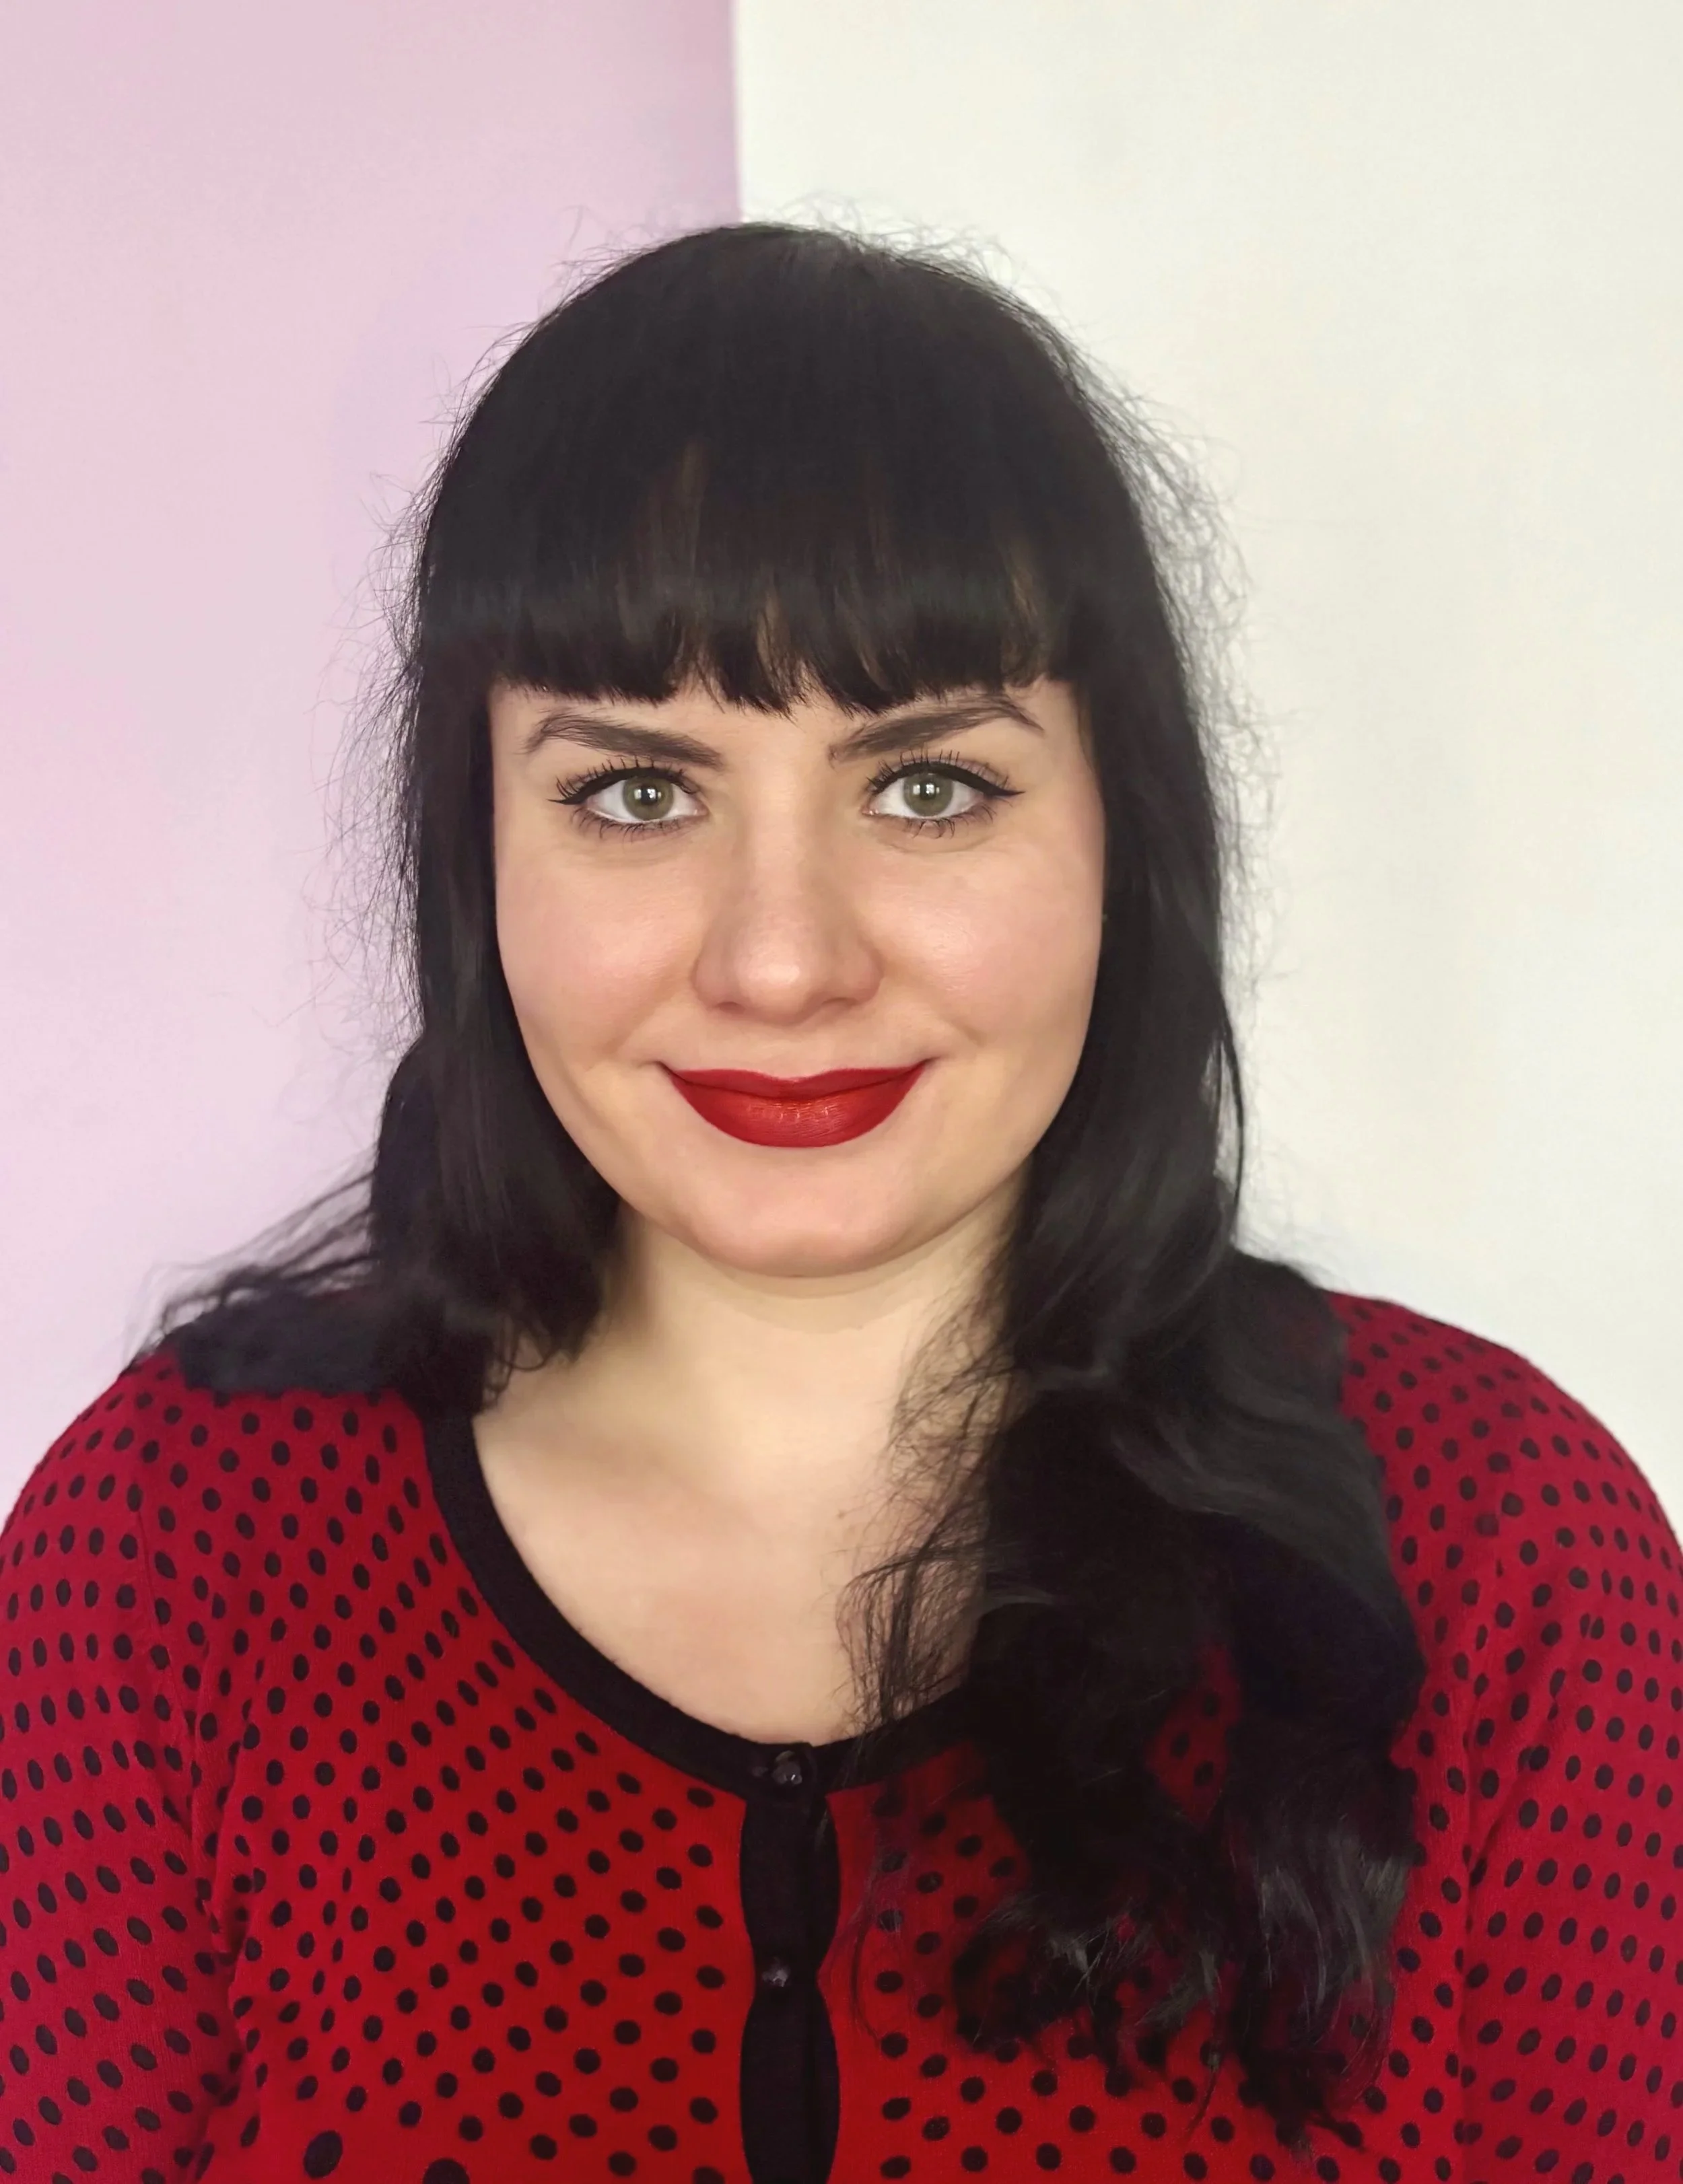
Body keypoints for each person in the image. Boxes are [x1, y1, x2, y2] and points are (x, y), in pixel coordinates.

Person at [1, 223, 1676, 2184]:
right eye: (636, 792)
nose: (779, 960)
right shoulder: (176, 1545)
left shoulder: (1500, 1549)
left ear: (1118, 838)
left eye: (930, 787)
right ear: (477, 857)